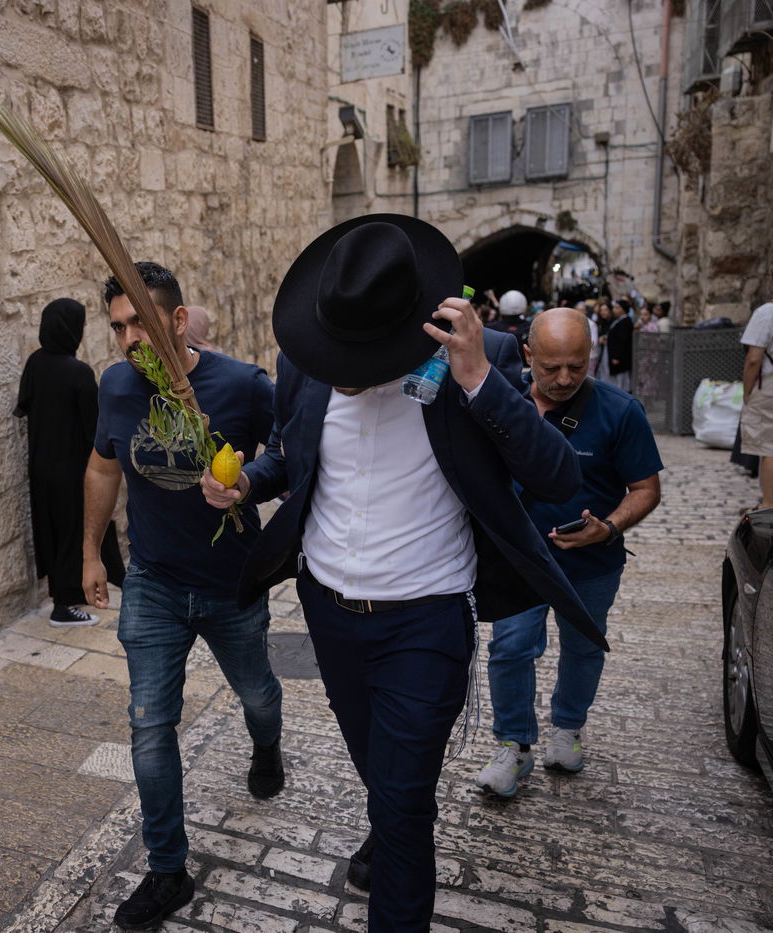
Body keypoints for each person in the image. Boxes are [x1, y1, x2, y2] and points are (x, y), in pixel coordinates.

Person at [201, 215, 605, 932]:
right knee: (382, 781)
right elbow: (294, 458)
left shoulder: (477, 358)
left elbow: (559, 475)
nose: (346, 373)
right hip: (328, 613)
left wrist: (478, 378)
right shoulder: (303, 360)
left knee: (403, 807)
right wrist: (246, 484)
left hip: (425, 620)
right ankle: (386, 822)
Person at [83, 262, 283, 931]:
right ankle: (168, 869)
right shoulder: (115, 386)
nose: (127, 339)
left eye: (139, 321)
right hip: (154, 583)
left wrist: (249, 479)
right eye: (116, 326)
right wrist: (90, 551)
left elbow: (292, 449)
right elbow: (103, 464)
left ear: (174, 319)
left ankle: (266, 745)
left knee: (257, 693)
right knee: (148, 727)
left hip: (232, 583)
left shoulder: (243, 385)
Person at [475, 309, 661, 797]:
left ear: (592, 356)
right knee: (510, 647)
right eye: (551, 367)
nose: (563, 379)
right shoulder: (498, 402)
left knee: (583, 648)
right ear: (528, 355)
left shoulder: (622, 410)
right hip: (518, 562)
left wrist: (610, 527)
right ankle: (514, 746)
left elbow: (645, 488)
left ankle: (568, 728)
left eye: (576, 367)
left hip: (591, 564)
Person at [14, 298, 125, 626]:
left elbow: (24, 405)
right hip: (75, 469)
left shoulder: (36, 363)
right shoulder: (77, 373)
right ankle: (64, 606)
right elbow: (96, 428)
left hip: (42, 468)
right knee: (80, 532)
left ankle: (111, 579)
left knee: (57, 532)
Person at [740, 281, 773, 510]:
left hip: (769, 386)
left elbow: (754, 358)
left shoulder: (766, 313)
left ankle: (769, 504)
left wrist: (747, 392)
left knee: (769, 447)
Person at [603, 299, 634, 391]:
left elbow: (622, 341)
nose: (614, 310)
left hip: (620, 358)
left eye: (617, 308)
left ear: (623, 309)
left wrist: (617, 356)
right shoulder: (619, 320)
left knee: (621, 380)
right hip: (613, 354)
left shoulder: (625, 322)